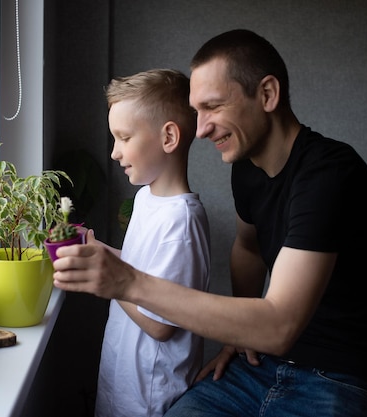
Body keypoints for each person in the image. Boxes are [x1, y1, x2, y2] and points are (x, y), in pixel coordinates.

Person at [53, 29, 367, 417]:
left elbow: (280, 327)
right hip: (260, 366)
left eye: (213, 107)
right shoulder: (246, 172)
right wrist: (238, 335)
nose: (199, 129)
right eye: (196, 111)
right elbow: (247, 248)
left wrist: (126, 281)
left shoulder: (330, 174)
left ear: (267, 95)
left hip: (339, 377)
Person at [92, 68, 211, 417]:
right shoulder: (145, 199)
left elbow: (161, 324)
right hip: (122, 378)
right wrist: (100, 254)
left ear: (169, 137)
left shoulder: (181, 221)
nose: (114, 153)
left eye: (124, 138)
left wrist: (109, 280)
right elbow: (137, 267)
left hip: (152, 395)